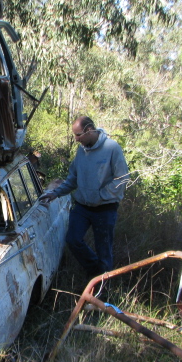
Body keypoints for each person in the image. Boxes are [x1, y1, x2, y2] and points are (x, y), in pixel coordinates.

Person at [40, 115, 128, 277]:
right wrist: (55, 193)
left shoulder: (111, 148)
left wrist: (101, 195)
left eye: (78, 135)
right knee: (73, 239)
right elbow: (73, 179)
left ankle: (102, 285)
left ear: (89, 130)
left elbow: (122, 179)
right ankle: (96, 272)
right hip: (82, 207)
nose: (76, 139)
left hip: (105, 209)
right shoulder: (81, 151)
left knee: (104, 250)